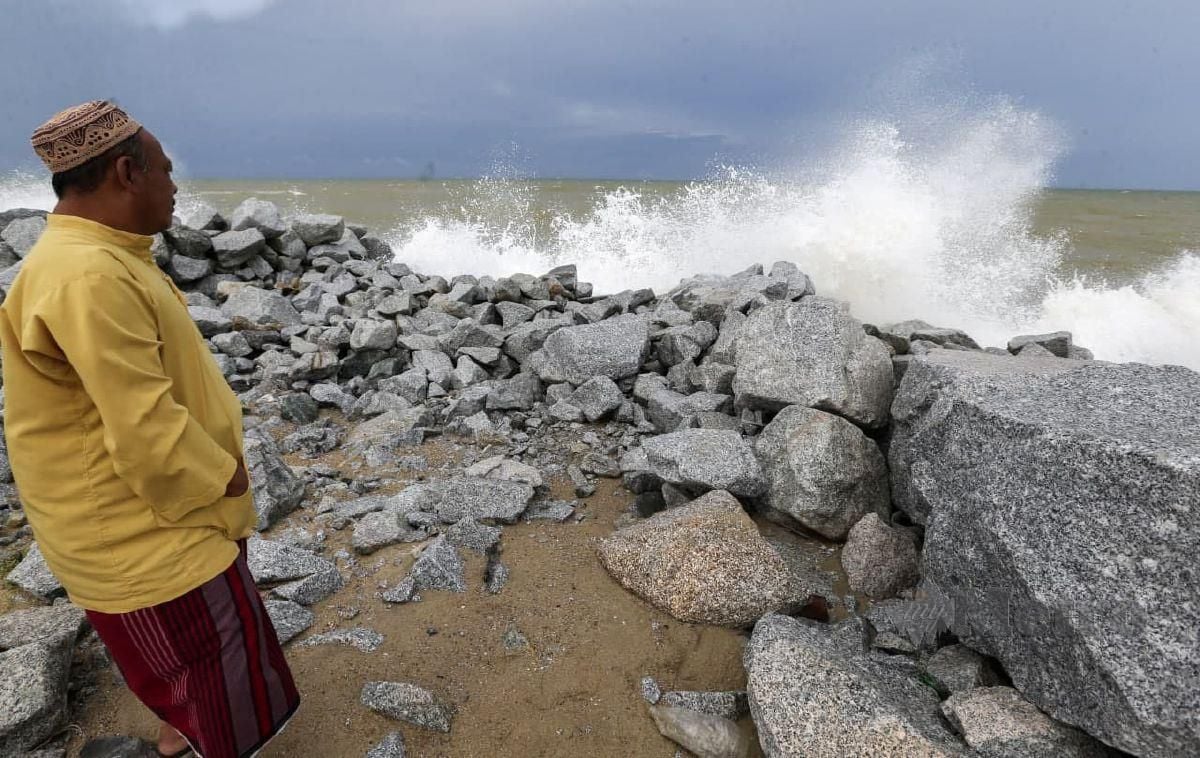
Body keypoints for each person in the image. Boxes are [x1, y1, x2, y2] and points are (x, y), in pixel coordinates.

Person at [0, 101, 299, 758]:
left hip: (156, 513)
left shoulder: (98, 256)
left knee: (188, 672)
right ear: (127, 173)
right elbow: (144, 431)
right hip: (149, 534)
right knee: (221, 681)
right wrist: (226, 473)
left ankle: (176, 736)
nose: (174, 187)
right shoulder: (87, 275)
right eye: (166, 171)